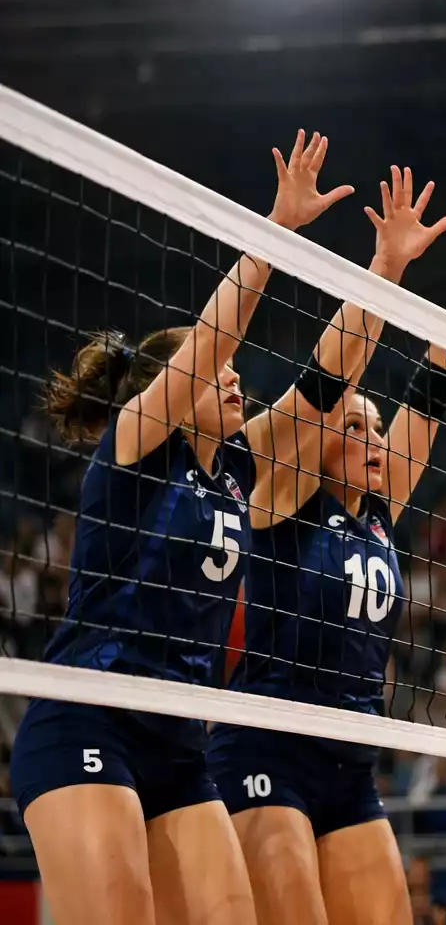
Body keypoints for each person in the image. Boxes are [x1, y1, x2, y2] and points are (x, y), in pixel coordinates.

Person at [9, 130, 352, 925]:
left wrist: (385, 275)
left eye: (234, 376)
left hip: (179, 739)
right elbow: (211, 342)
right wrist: (276, 231)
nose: (235, 381)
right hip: (90, 714)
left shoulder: (236, 469)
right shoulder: (135, 443)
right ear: (171, 387)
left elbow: (326, 386)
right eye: (217, 374)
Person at [208, 191, 446, 925]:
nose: (375, 439)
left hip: (352, 761)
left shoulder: (379, 513)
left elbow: (430, 397)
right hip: (268, 747)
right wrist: (385, 269)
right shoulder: (281, 495)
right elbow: (326, 378)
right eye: (356, 427)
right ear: (320, 438)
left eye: (377, 428)